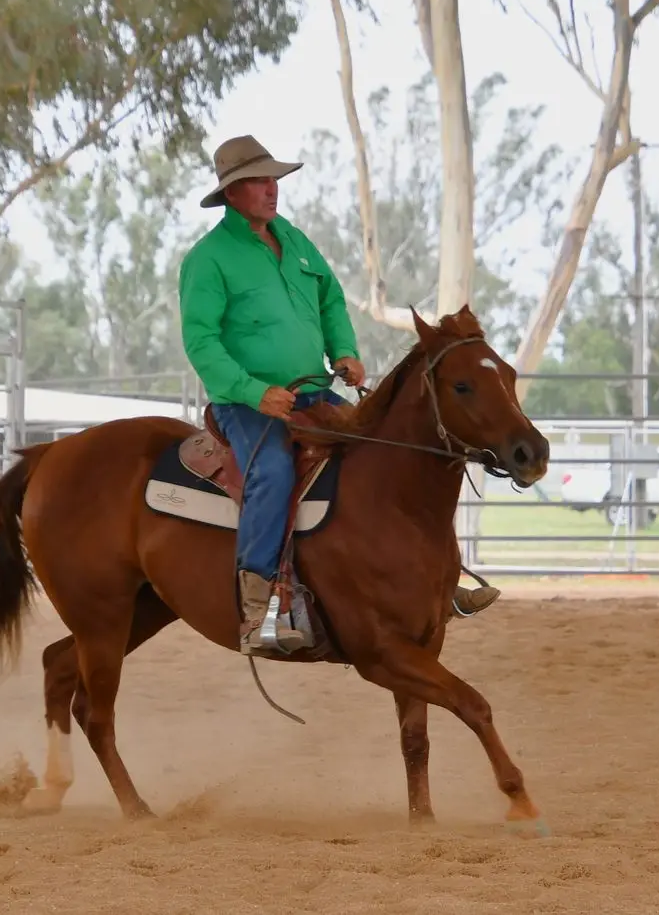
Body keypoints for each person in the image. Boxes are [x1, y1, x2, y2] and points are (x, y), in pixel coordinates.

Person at [178, 136, 500, 657]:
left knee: (385, 455)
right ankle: (257, 605)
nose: (271, 189)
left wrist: (344, 349)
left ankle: (437, 578)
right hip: (246, 405)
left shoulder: (296, 241)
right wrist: (255, 393)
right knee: (274, 472)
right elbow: (201, 341)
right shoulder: (209, 260)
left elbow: (329, 299)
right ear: (232, 192)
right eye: (260, 181)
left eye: (273, 179)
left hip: (313, 393)